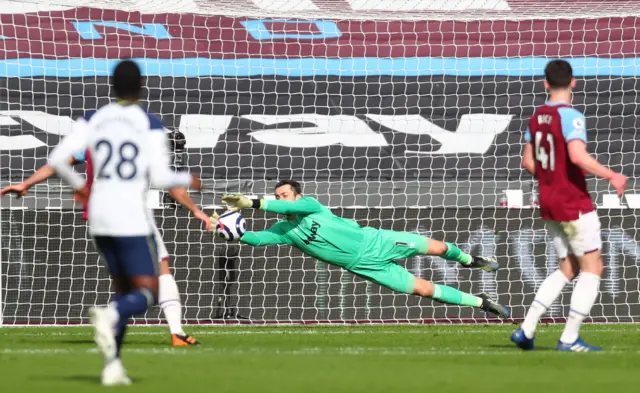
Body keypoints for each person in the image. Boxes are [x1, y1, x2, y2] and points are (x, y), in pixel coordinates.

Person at [48, 59, 202, 385]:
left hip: (98, 216)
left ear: (112, 85)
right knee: (148, 291)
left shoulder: (93, 119)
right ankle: (114, 315)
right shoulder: (149, 123)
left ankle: (112, 366)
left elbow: (58, 160)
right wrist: (188, 177)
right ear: (141, 85)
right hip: (131, 217)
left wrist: (81, 188)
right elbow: (160, 178)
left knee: (121, 288)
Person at [215, 180, 510, 319]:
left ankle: (471, 260)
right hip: (364, 265)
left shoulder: (310, 206)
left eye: (286, 194)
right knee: (424, 290)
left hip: (376, 241)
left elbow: (283, 207)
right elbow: (255, 239)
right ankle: (481, 302)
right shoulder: (285, 231)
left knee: (436, 247)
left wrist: (253, 203)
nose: (282, 198)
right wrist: (228, 230)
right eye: (278, 195)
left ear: (297, 195)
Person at [1, 153, 208, 347]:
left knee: (123, 277)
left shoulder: (94, 139)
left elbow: (59, 162)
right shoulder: (141, 138)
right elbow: (172, 185)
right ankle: (170, 330)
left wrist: (27, 183)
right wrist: (197, 211)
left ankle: (115, 332)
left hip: (99, 215)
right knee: (160, 269)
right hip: (131, 211)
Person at [511, 59, 627, 352]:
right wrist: (611, 174)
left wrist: (551, 177)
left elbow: (528, 162)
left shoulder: (536, 117)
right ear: (573, 82)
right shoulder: (571, 115)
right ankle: (569, 337)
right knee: (593, 266)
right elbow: (577, 155)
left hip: (548, 200)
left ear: (545, 84)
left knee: (568, 266)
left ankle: (527, 329)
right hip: (572, 201)